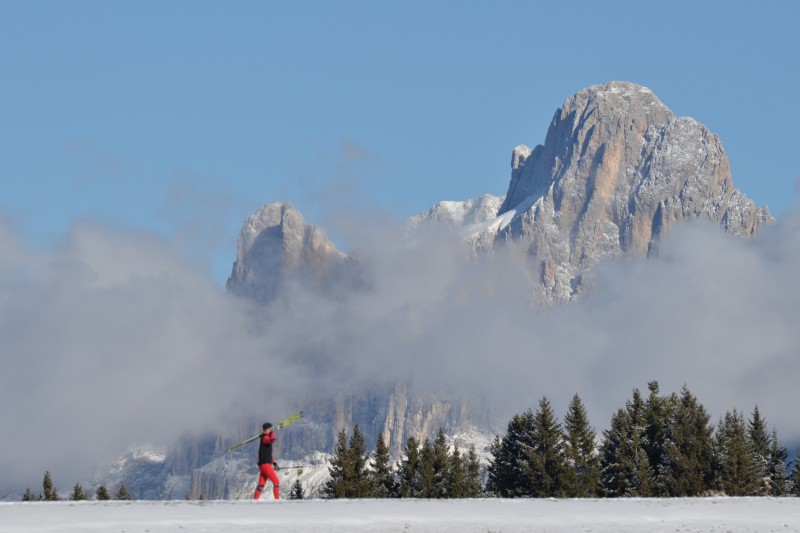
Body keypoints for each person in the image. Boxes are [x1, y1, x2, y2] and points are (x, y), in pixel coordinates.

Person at [254, 422, 281, 500]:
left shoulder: (264, 438)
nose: (272, 430)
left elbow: (268, 456)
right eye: (270, 428)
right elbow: (273, 440)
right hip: (265, 465)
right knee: (276, 482)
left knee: (261, 485)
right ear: (266, 429)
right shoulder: (265, 438)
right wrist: (270, 433)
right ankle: (277, 501)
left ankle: (254, 501)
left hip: (263, 466)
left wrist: (275, 464)